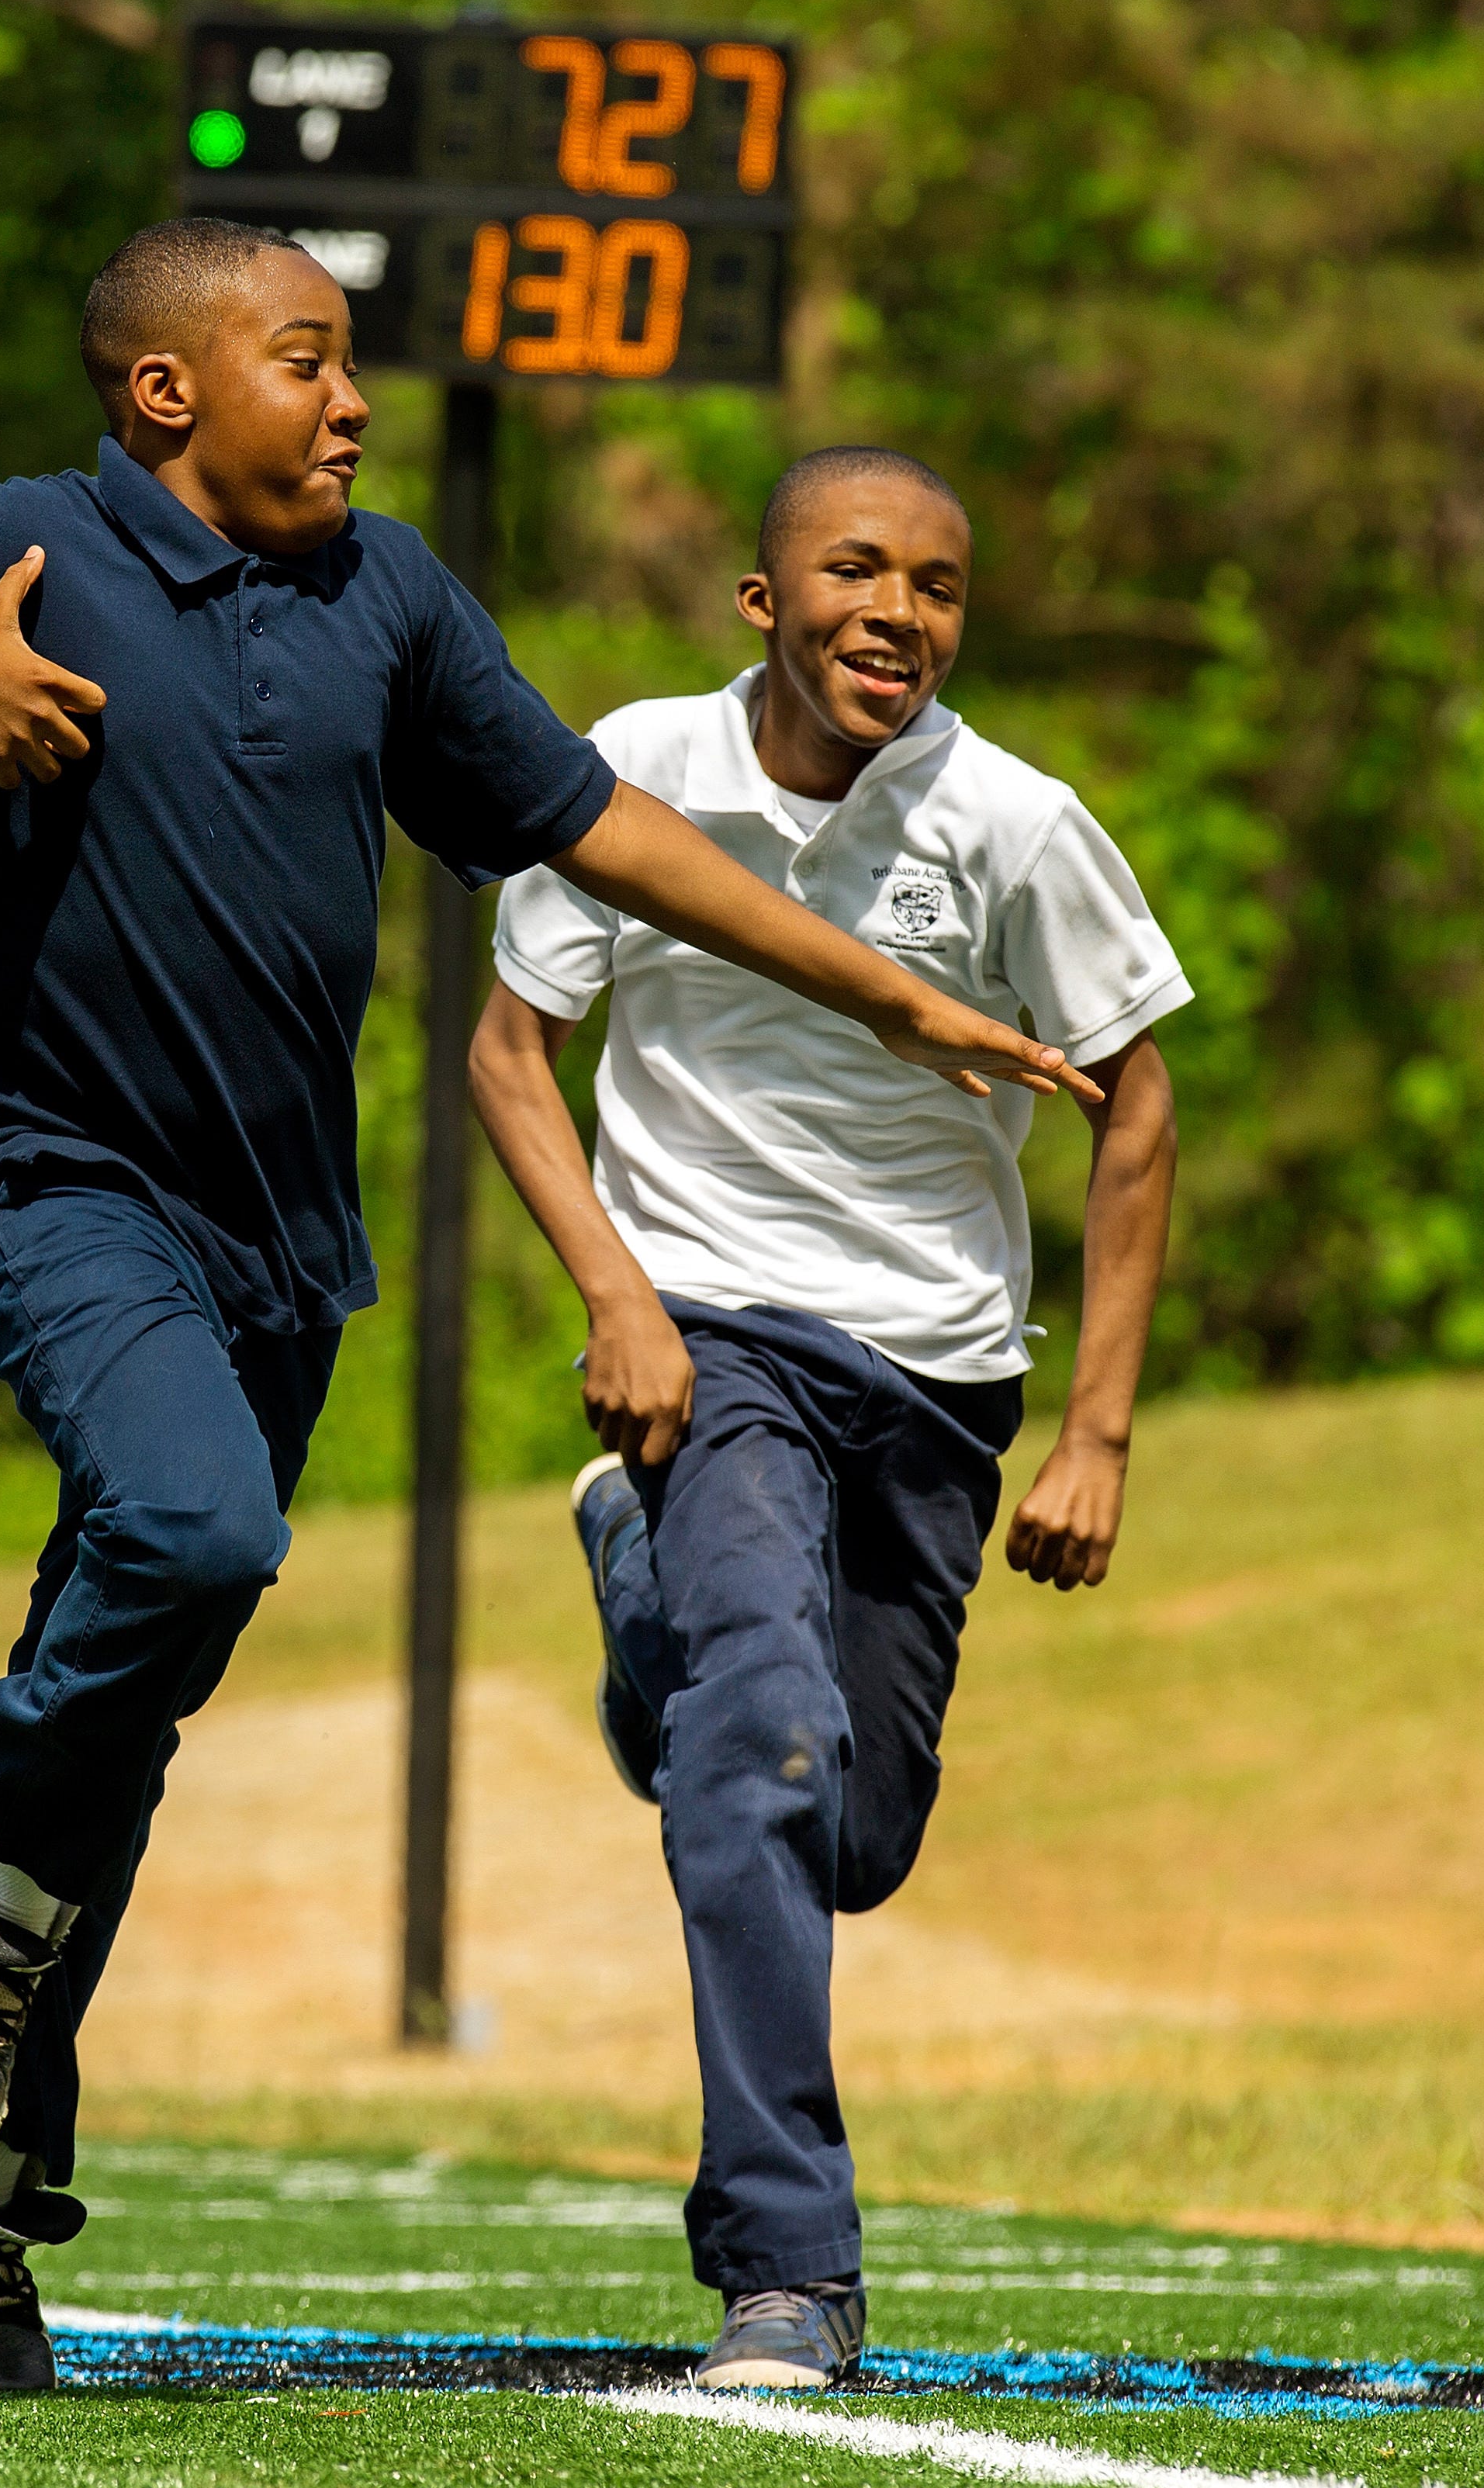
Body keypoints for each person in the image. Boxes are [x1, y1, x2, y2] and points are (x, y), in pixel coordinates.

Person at [0, 231, 1109, 2392]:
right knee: (198, 1530)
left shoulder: (385, 597)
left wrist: (887, 991)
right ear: (167, 395)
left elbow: (603, 829)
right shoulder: (5, 549)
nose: (356, 400)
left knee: (125, 1698)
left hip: (273, 1238)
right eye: (309, 361)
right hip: (35, 1167)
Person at [469, 445, 1189, 2390]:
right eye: (857, 571)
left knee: (848, 1839)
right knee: (765, 1749)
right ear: (761, 600)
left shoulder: (1018, 824)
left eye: (940, 585)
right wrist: (619, 1297)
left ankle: (643, 1598)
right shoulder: (630, 769)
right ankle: (787, 2269)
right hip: (714, 1340)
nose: (901, 613)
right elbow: (509, 1055)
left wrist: (1098, 1430)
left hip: (939, 1379)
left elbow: (1140, 1113)